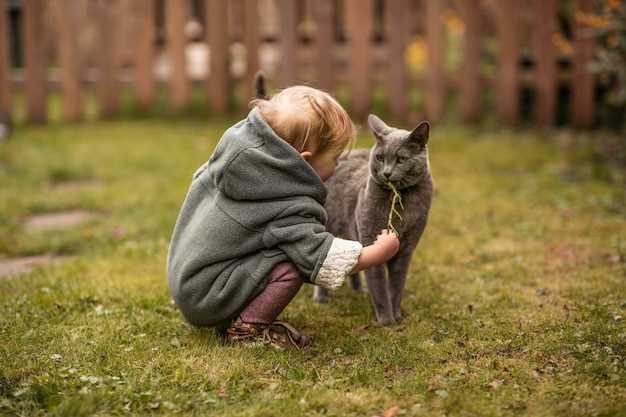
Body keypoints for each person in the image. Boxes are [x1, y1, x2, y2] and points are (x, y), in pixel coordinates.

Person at [166, 86, 400, 349]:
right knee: (294, 261)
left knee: (278, 247)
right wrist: (379, 252)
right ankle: (246, 330)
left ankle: (227, 303)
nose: (339, 165)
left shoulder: (232, 163)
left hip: (189, 280)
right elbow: (323, 257)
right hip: (208, 298)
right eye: (335, 159)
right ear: (303, 161)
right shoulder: (285, 202)